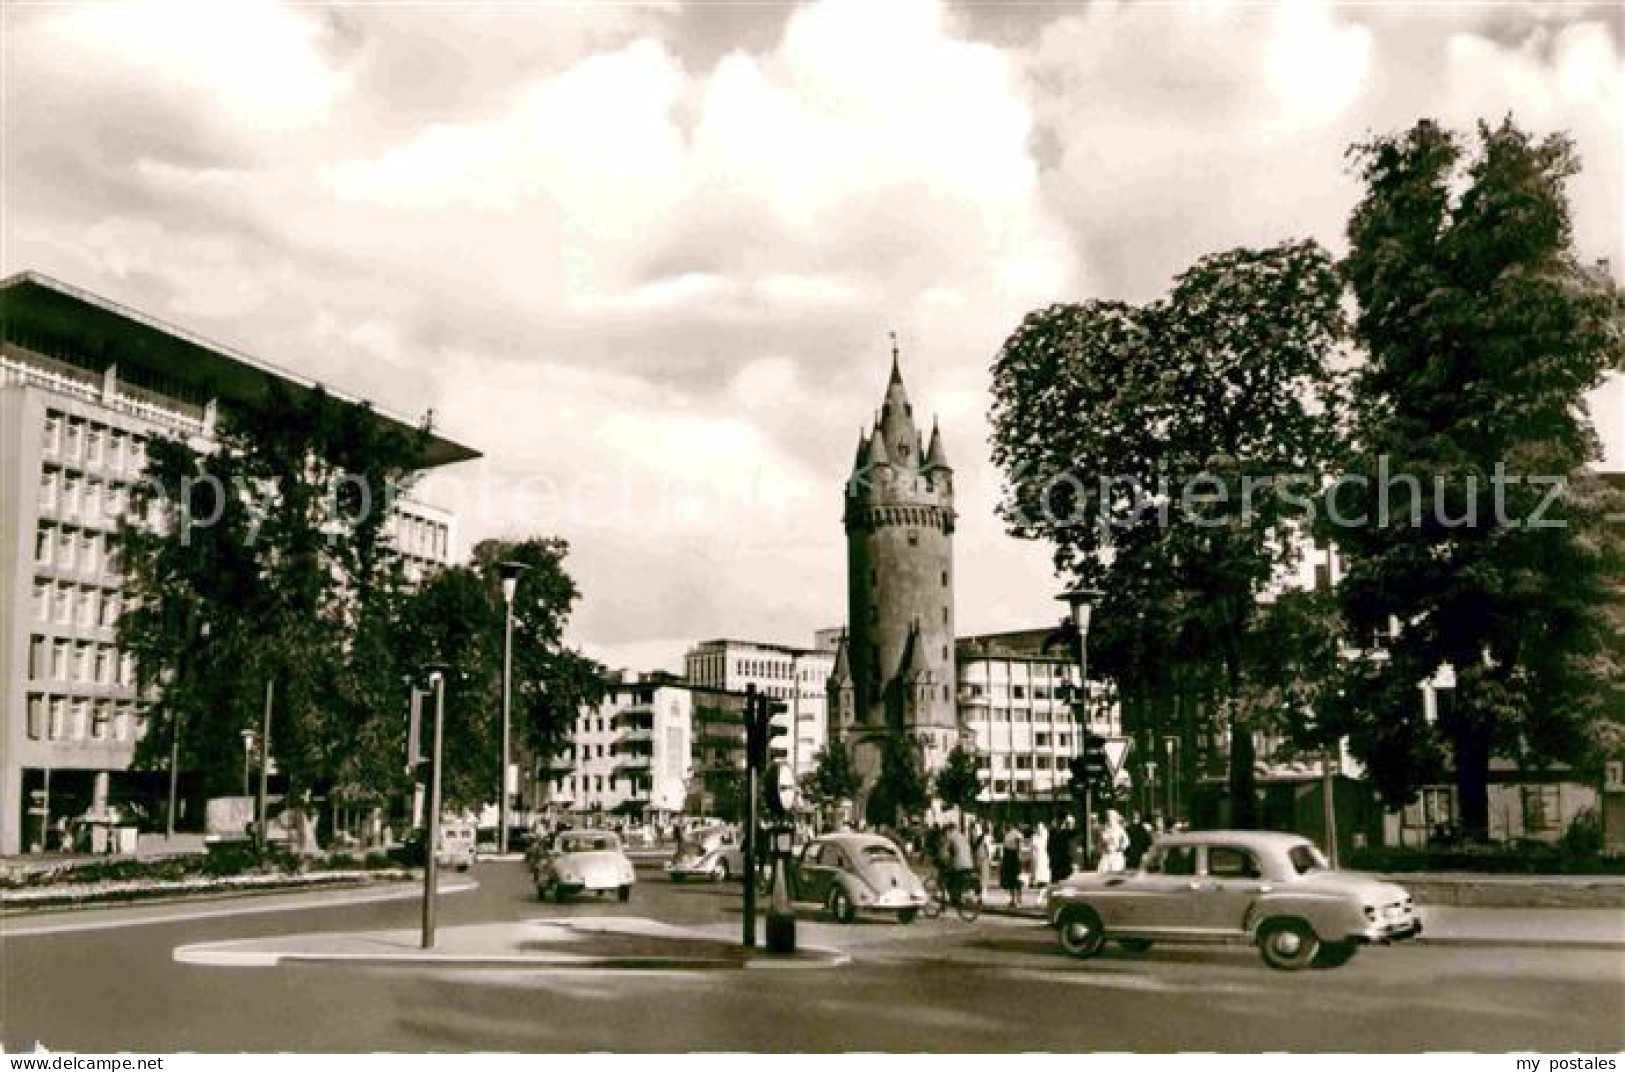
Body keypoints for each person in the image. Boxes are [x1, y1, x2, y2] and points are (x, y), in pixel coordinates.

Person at [1000, 825, 1025, 906]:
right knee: (1017, 878)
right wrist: (1020, 858)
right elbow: (1019, 847)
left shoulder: (1008, 835)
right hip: (1014, 857)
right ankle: (1018, 899)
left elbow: (1005, 848)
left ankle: (1013, 899)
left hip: (1009, 858)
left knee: (1011, 879)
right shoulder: (1017, 834)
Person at [1050, 815, 1076, 880]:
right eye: (1067, 823)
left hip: (1069, 859)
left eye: (1069, 823)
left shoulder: (1074, 833)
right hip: (1061, 859)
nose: (1068, 825)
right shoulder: (1060, 833)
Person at [1028, 820, 1051, 893]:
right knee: (1034, 868)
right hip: (1035, 854)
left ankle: (1043, 881)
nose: (1039, 829)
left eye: (1040, 828)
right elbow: (1032, 845)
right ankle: (1034, 881)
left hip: (1042, 853)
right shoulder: (1034, 836)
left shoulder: (1045, 834)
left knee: (1042, 868)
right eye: (1038, 828)